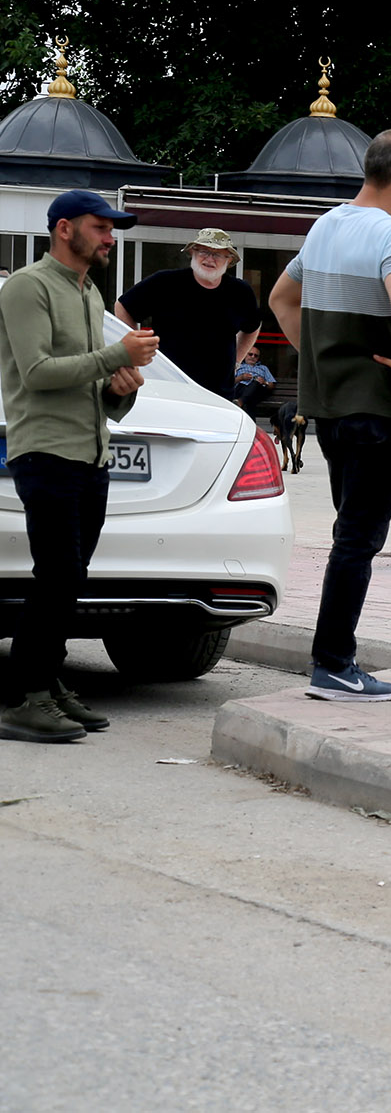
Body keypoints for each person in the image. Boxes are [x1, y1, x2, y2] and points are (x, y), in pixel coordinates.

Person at [269, 131, 391, 703]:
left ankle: (335, 659)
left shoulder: (325, 226)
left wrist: (318, 358)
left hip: (331, 409)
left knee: (349, 534)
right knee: (358, 541)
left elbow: (281, 300)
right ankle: (334, 663)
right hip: (382, 409)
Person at [0, 190, 155, 742]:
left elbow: (93, 387)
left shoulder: (90, 294)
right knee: (57, 573)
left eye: (114, 228)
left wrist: (121, 390)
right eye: (102, 226)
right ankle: (24, 697)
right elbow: (38, 372)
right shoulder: (28, 287)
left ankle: (48, 682)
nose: (112, 236)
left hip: (91, 454)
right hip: (45, 451)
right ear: (65, 229)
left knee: (71, 577)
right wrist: (119, 356)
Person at [115, 227, 261, 400]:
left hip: (218, 393)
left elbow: (253, 326)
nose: (209, 259)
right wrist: (137, 350)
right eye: (204, 252)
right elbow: (123, 307)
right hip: (166, 387)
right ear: (192, 253)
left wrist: (237, 360)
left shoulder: (240, 292)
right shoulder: (165, 282)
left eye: (217, 254)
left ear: (228, 261)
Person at [231, 347, 277, 414]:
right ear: (245, 355)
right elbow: (229, 383)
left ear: (258, 358)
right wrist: (241, 377)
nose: (253, 357)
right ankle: (243, 403)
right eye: (250, 354)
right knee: (250, 400)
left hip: (258, 390)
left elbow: (271, 385)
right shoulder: (238, 366)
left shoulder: (263, 368)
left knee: (255, 383)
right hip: (241, 388)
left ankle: (240, 401)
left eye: (256, 355)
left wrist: (264, 382)